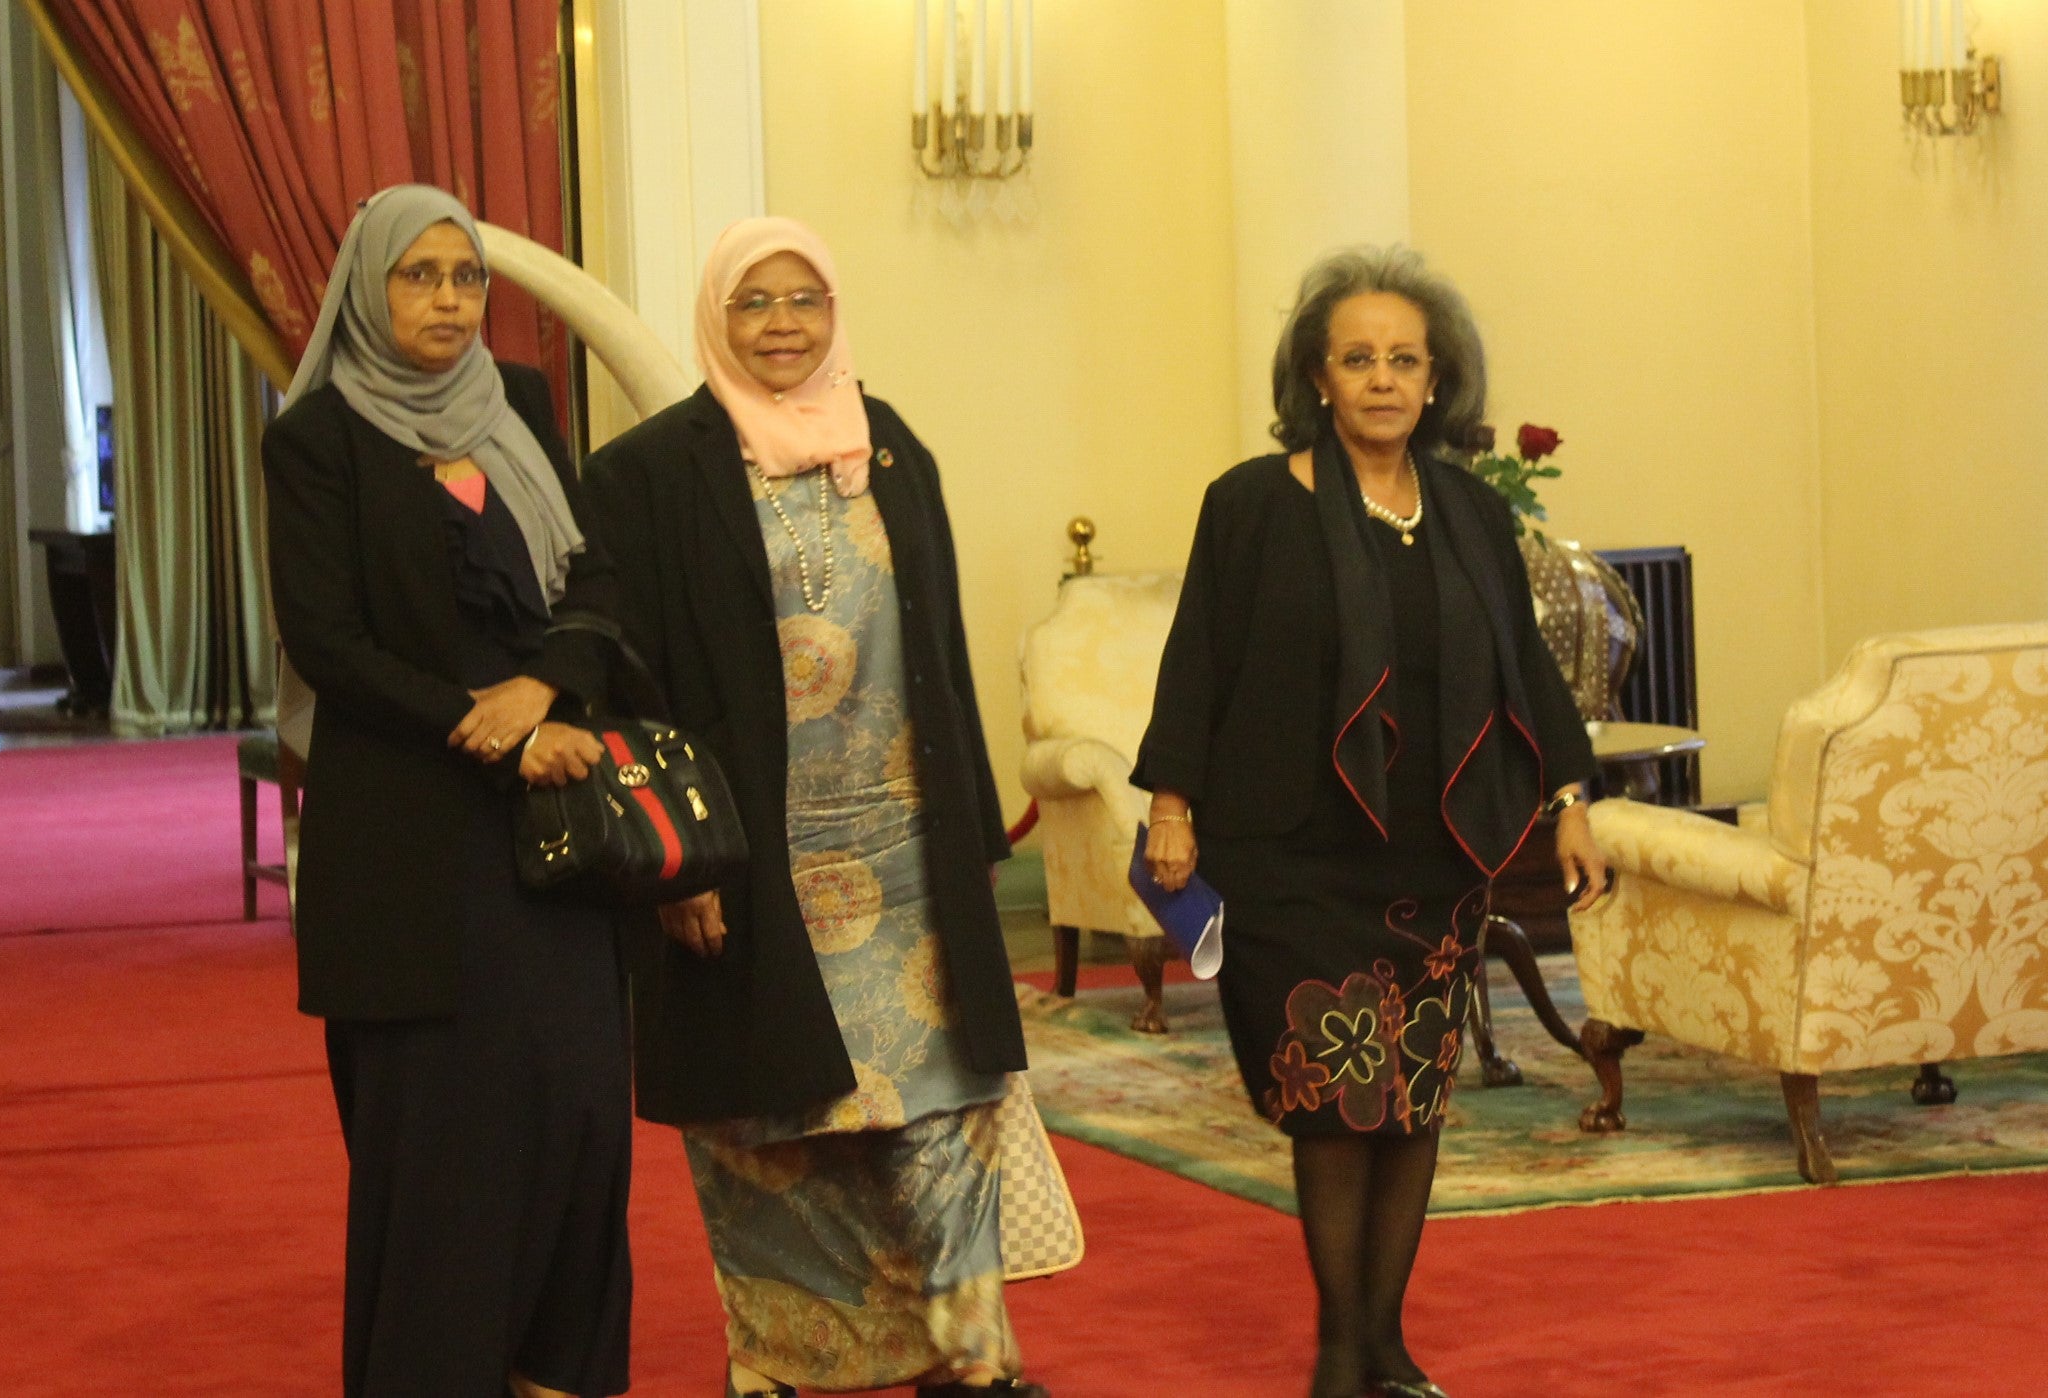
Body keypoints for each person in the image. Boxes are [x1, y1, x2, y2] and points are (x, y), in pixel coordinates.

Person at [1134, 245, 1608, 1398]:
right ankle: (1338, 1353)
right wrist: (1168, 803)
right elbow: (1199, 658)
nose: (1383, 380)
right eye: (1358, 359)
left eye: (1404, 360)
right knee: (1334, 1103)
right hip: (1293, 851)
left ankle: (1387, 1348)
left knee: (1413, 1104)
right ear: (1318, 376)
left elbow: (1524, 670)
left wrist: (1570, 800)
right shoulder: (1250, 504)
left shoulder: (1470, 512)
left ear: (1437, 381)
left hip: (1435, 850)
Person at [583, 217, 1045, 1398]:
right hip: (752, 864)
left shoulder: (889, 447)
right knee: (772, 1130)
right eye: (754, 304)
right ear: (714, 319)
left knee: (945, 1110)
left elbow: (938, 649)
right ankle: (785, 1370)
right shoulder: (646, 475)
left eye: (804, 301)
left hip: (905, 859)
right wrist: (676, 866)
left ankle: (972, 1362)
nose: (782, 326)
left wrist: (977, 831)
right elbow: (630, 686)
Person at [263, 185, 631, 1398]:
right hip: (413, 850)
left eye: (464, 277)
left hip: (558, 839)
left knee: (575, 1117)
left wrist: (549, 690)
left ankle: (556, 1373)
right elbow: (328, 640)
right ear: (369, 288)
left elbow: (595, 582)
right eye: (417, 276)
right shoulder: (315, 438)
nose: (445, 299)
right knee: (446, 1149)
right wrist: (494, 730)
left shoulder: (519, 406)